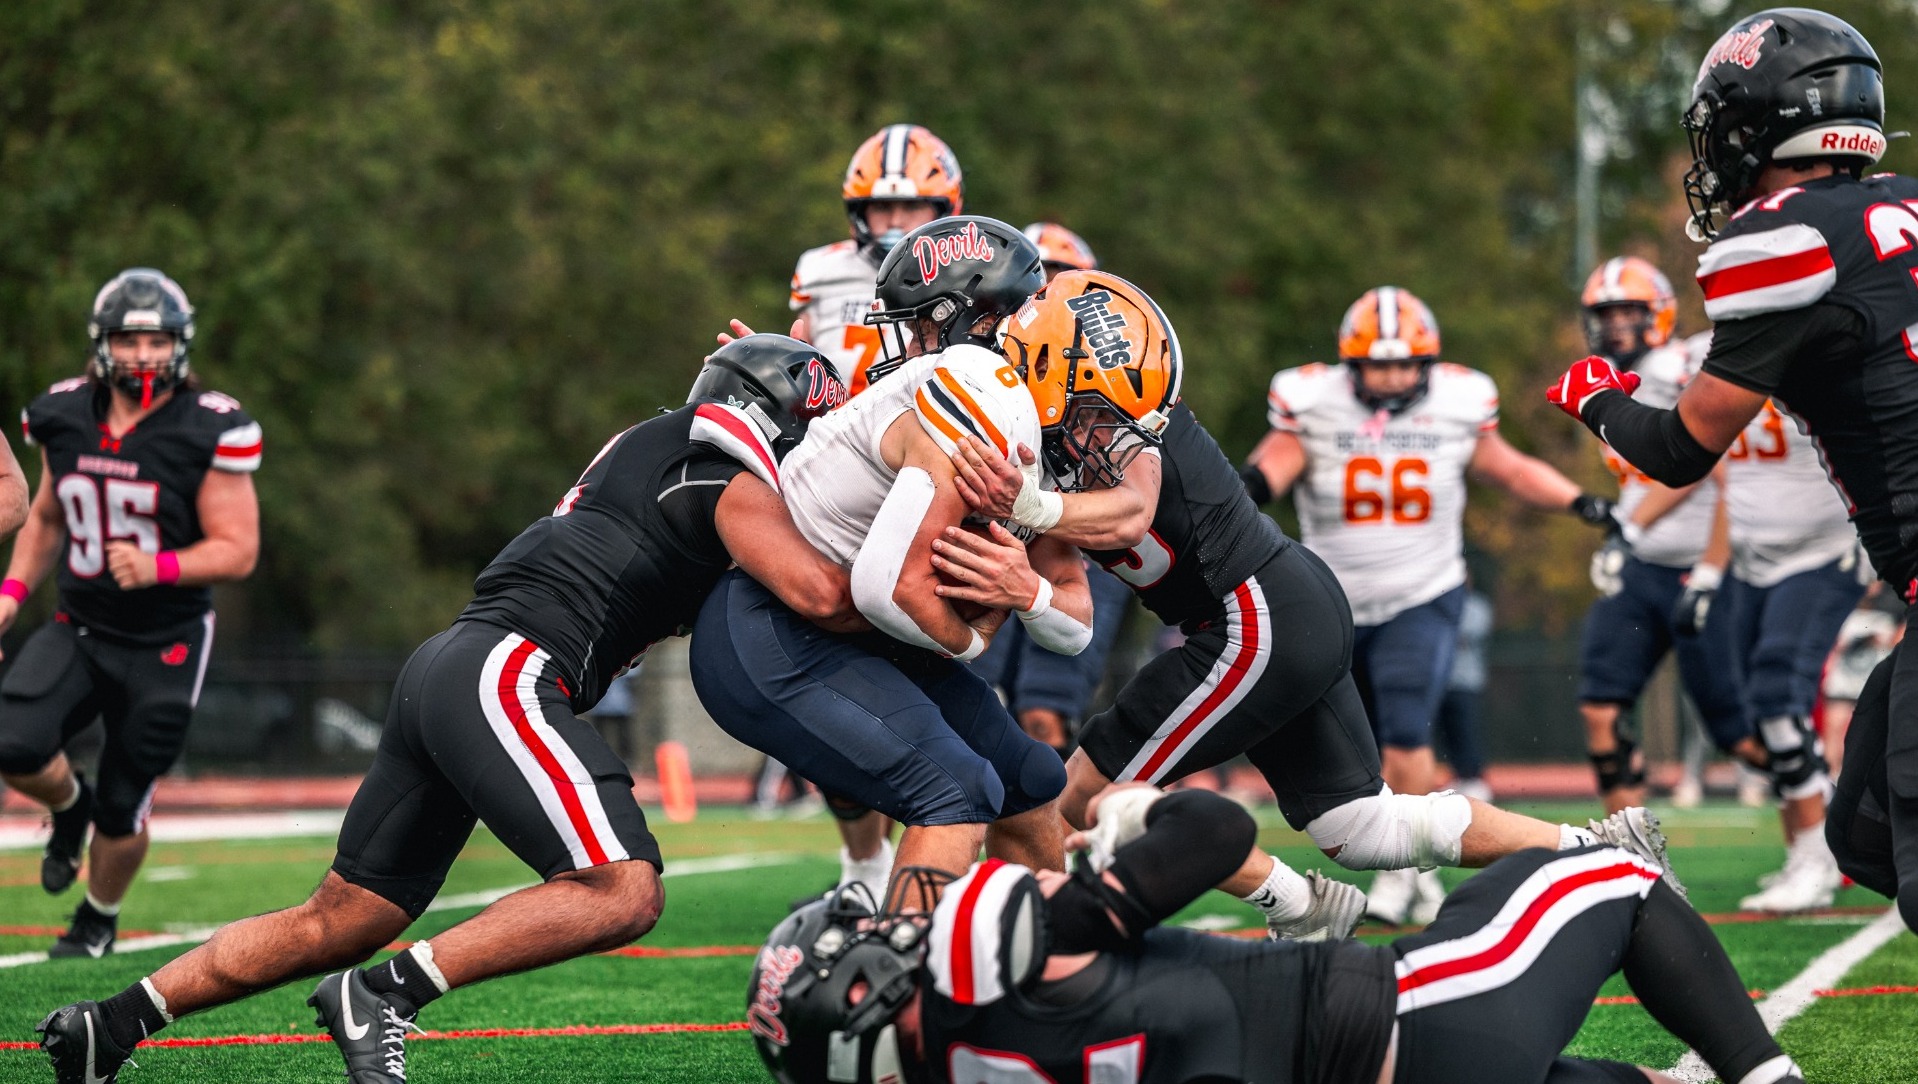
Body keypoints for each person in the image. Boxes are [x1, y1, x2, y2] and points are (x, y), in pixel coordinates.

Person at [37, 335, 858, 1084]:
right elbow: (823, 594)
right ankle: (385, 995)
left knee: (342, 916)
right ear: (775, 423)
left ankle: (106, 1025)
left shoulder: (658, 448)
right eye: (810, 435)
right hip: (509, 669)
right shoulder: (717, 473)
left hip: (452, 662)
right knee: (622, 888)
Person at [957, 274, 1673, 942]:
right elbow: (1072, 606)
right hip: (1288, 606)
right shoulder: (1044, 442)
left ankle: (1299, 905)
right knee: (1365, 827)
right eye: (1092, 401)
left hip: (1252, 617)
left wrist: (1030, 506)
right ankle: (1602, 851)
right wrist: (1020, 576)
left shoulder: (1127, 429)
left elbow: (1129, 510)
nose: (1108, 419)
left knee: (1087, 793)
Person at [1546, 8, 1918, 933]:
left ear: (1757, 124)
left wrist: (1594, 393)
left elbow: (1677, 447)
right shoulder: (1903, 206)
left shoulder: (1784, 238)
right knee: (1864, 827)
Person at [747, 784, 1805, 1084]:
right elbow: (1214, 831)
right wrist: (1133, 822)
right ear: (870, 985)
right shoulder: (986, 945)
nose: (897, 920)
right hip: (1405, 1028)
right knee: (1607, 875)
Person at [690, 216, 1095, 913]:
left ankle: (1053, 974)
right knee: (958, 790)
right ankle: (898, 995)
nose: (908, 345)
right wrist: (979, 634)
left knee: (1029, 778)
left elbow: (1074, 621)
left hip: (857, 629)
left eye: (919, 325)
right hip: (780, 631)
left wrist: (1024, 591)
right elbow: (889, 587)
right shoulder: (970, 387)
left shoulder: (1015, 404)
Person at [1241, 285, 1618, 924]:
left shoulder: (1459, 401)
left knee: (1406, 725)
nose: (1390, 380)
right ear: (1349, 364)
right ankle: (1416, 860)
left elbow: (1510, 468)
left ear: (1428, 361)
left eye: (1402, 365)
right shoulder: (1313, 401)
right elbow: (1268, 470)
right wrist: (1224, 504)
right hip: (1332, 600)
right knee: (1356, 742)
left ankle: (1403, 874)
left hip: (1425, 591)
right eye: (1376, 366)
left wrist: (1582, 503)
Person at [0, 269, 261, 960]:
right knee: (13, 740)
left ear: (179, 344)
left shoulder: (209, 425)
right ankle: (66, 806)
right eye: (129, 338)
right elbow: (48, 516)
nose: (144, 354)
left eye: (157, 340)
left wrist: (162, 566)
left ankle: (98, 917)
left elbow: (238, 550)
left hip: (166, 637)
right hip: (81, 624)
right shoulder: (62, 413)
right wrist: (10, 596)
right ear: (102, 343)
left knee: (126, 797)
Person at [1561, 258, 1745, 817]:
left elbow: (1702, 462)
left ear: (1658, 314)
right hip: (1642, 567)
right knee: (1601, 706)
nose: (1615, 325)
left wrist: (1628, 524)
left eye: (1628, 312)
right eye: (1604, 313)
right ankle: (1631, 844)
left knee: (1740, 735)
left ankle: (1828, 823)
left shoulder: (1675, 367)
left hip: (1702, 566)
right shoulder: (1606, 377)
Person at [1700, 330, 1868, 911]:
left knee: (1778, 697)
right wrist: (1708, 568)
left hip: (1823, 552)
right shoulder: (1706, 354)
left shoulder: (1824, 347)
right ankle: (1807, 851)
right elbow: (1710, 467)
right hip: (1751, 560)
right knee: (1758, 714)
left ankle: (1822, 855)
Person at [969, 221, 1136, 757]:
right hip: (997, 530)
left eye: (1063, 277)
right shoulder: (981, 355)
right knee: (976, 699)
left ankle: (1055, 838)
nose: (1048, 291)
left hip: (1078, 543)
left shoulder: (1112, 364)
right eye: (1039, 275)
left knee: (1044, 712)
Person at [789, 123, 963, 396]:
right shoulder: (823, 269)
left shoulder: (967, 274)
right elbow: (798, 360)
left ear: (945, 209)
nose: (895, 221)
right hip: (831, 428)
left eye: (912, 206)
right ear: (860, 212)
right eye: (882, 206)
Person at [1434, 585, 1494, 803]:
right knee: (1445, 734)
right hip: (1437, 683)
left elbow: (1466, 635)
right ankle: (1459, 777)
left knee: (1466, 731)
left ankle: (1474, 779)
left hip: (1465, 682)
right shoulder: (1433, 604)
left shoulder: (1476, 605)